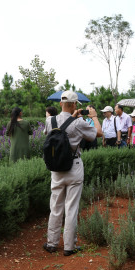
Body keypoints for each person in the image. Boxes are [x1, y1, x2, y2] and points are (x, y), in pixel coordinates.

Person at [42, 91, 103, 256]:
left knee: (55, 206)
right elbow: (98, 133)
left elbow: (48, 134)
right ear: (75, 104)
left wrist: (71, 117)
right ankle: (69, 246)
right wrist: (95, 117)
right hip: (73, 166)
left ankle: (51, 243)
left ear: (61, 103)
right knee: (71, 208)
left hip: (56, 169)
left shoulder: (50, 120)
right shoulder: (79, 123)